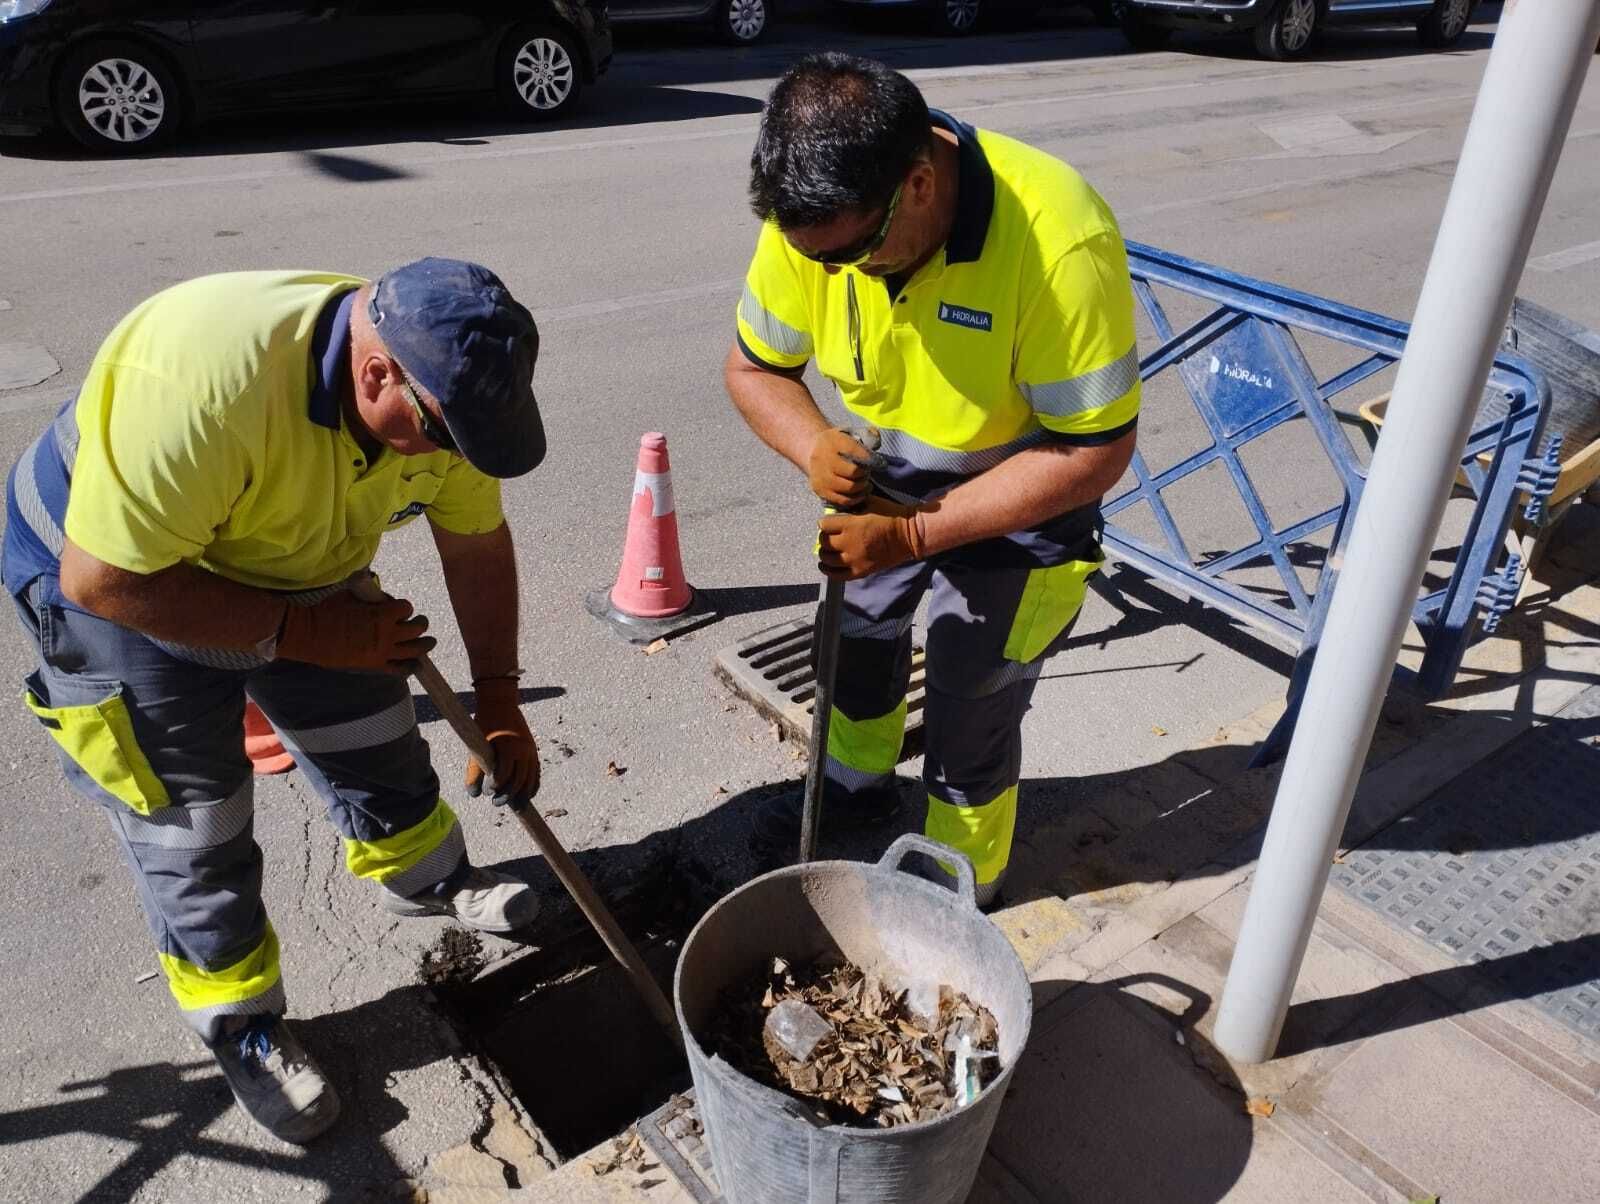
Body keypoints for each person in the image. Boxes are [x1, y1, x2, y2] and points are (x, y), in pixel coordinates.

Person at [3, 258, 547, 1144]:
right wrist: (306, 635)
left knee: (371, 727)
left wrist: (499, 702)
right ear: (376, 375)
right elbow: (106, 579)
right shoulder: (204, 385)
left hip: (287, 552)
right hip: (112, 579)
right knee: (194, 817)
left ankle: (428, 879)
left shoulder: (445, 404)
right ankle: (241, 1020)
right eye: (438, 436)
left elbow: (476, 544)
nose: (448, 457)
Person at [725, 54, 1140, 907]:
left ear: (919, 184)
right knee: (857, 643)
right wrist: (812, 445)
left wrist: (914, 535)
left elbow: (1097, 449)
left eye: (851, 257)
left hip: (1027, 503)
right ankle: (851, 786)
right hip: (887, 480)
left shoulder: (1060, 240)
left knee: (972, 697)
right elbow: (753, 368)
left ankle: (955, 883)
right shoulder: (818, 221)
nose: (835, 275)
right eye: (818, 260)